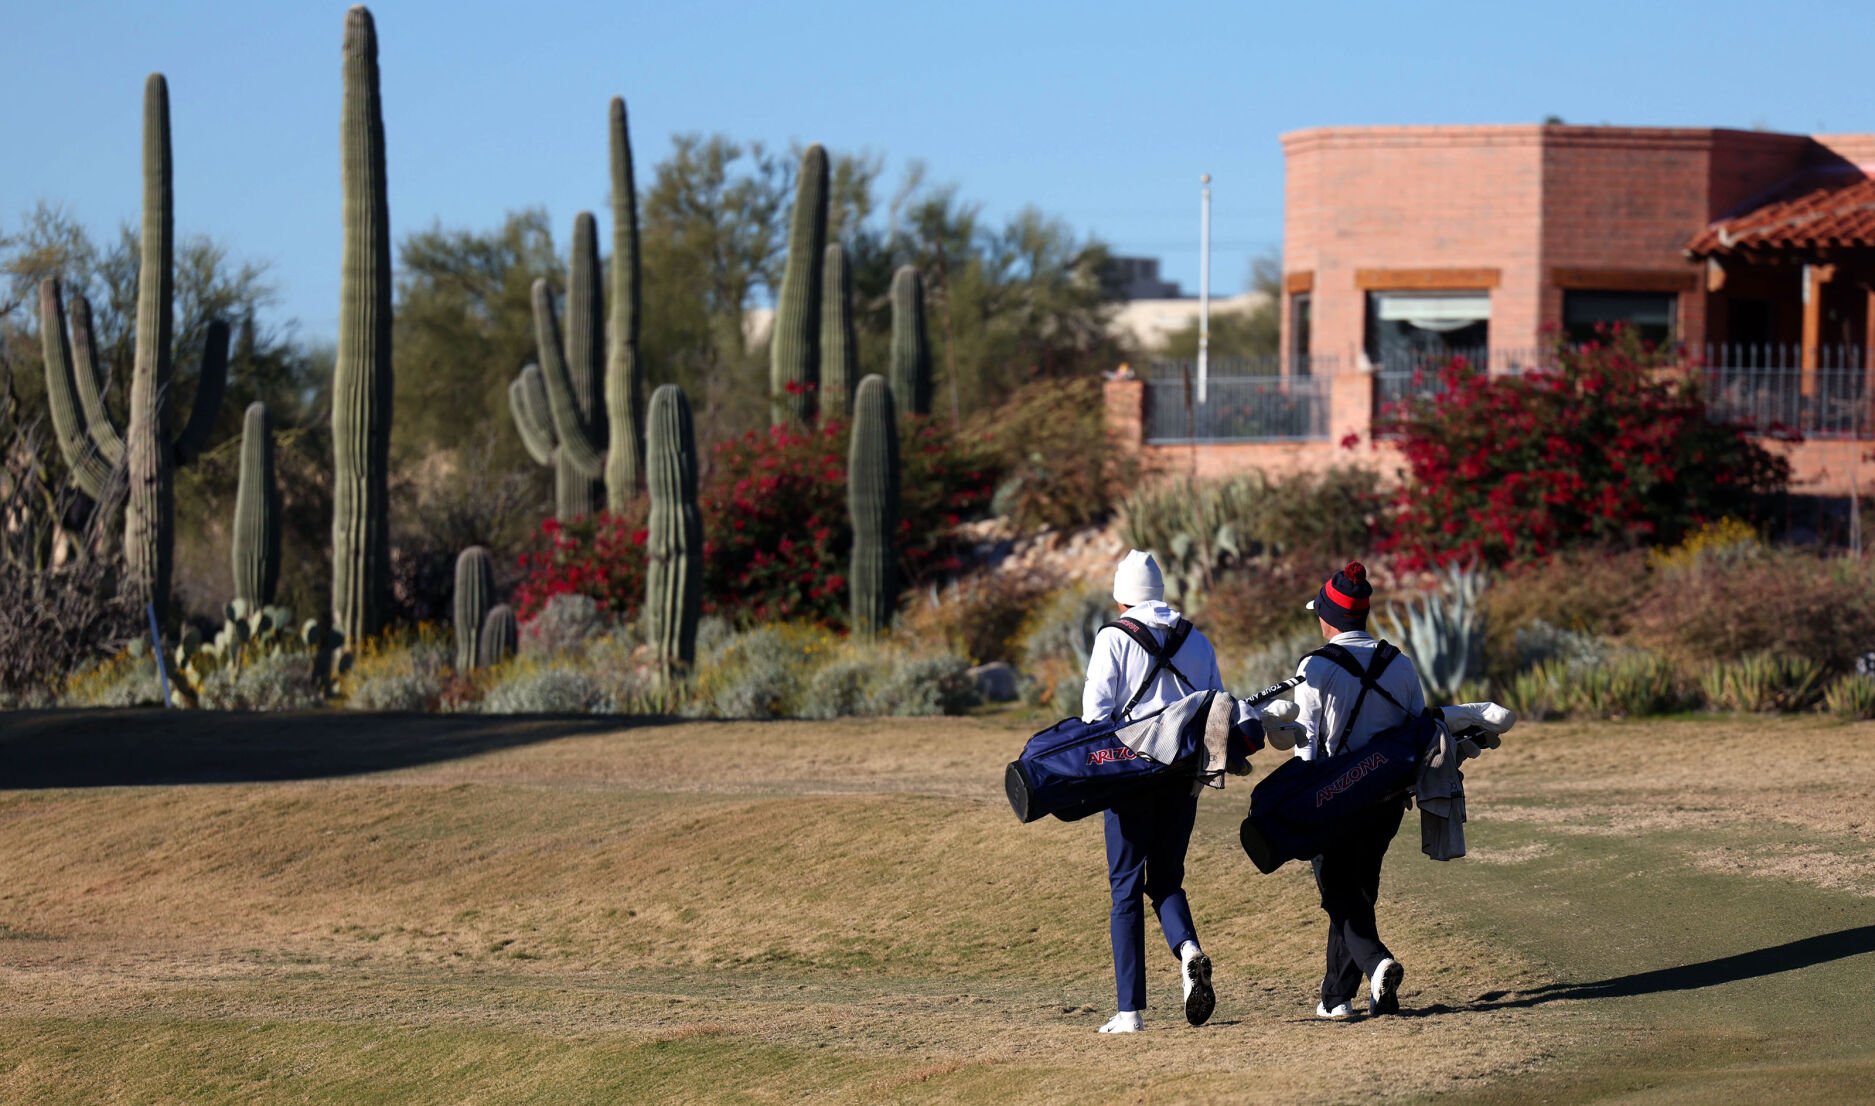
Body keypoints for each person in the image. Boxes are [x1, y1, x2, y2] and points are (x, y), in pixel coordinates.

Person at [1081, 549, 1225, 1033]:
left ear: (1121, 598)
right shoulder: (1197, 639)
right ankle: (1188, 950)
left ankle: (1129, 1011)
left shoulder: (1113, 638)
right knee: (1165, 879)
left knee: (1125, 888)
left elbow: (1094, 717)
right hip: (1182, 777)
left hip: (1130, 775)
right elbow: (1217, 706)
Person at [1292, 561, 1425, 1019]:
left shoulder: (1315, 667)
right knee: (1359, 888)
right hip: (1387, 800)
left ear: (1329, 618)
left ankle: (1376, 962)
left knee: (1337, 892)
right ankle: (1337, 996)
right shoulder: (1400, 663)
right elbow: (1418, 729)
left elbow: (1305, 746)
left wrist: (1299, 800)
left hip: (1334, 796)